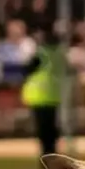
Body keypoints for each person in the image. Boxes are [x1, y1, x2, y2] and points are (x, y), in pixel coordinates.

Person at [20, 28, 63, 156]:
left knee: (44, 132)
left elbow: (27, 69)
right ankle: (52, 154)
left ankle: (46, 155)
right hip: (52, 96)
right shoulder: (58, 54)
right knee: (52, 131)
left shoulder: (40, 54)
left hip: (39, 97)